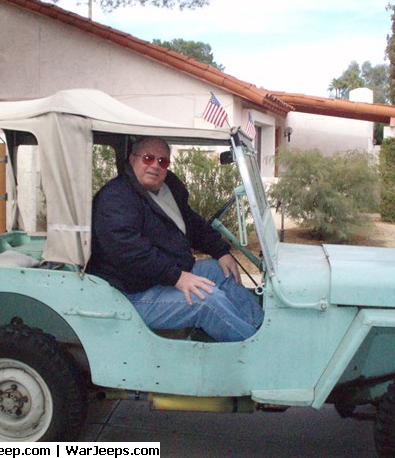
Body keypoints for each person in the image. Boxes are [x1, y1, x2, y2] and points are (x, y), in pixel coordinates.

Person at [87, 136, 263, 342]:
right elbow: (129, 252)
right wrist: (176, 277)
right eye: (148, 158)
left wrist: (221, 251)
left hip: (162, 277)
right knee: (207, 300)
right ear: (132, 159)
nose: (155, 165)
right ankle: (257, 349)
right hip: (130, 293)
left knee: (220, 270)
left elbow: (191, 223)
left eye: (162, 161)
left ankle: (261, 328)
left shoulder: (166, 188)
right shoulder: (116, 198)